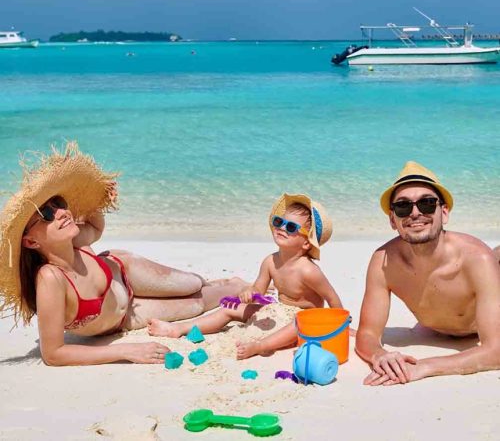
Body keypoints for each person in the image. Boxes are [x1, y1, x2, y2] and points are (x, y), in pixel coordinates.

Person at [0, 142, 245, 366]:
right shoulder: (50, 279)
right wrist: (126, 351)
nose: (62, 212)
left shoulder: (75, 239)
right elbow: (53, 354)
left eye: (59, 204)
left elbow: (96, 227)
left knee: (191, 283)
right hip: (126, 315)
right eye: (46, 214)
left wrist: (97, 196)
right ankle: (234, 285)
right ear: (31, 241)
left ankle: (221, 282)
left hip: (124, 271)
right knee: (196, 304)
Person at [355, 161, 500, 385]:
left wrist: (424, 366)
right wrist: (380, 356)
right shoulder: (384, 262)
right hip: (443, 323)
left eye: (427, 204)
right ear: (393, 220)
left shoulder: (476, 260)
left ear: (444, 212)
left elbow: (495, 350)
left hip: (485, 279)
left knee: (492, 259)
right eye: (403, 207)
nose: (415, 213)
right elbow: (367, 335)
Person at [148, 193, 343, 360]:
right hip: (276, 311)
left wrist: (340, 327)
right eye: (279, 222)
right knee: (228, 309)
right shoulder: (270, 261)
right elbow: (259, 289)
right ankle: (179, 328)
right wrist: (250, 292)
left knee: (298, 324)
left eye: (291, 227)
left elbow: (332, 298)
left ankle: (259, 346)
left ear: (307, 243)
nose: (282, 227)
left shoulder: (308, 271)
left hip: (303, 319)